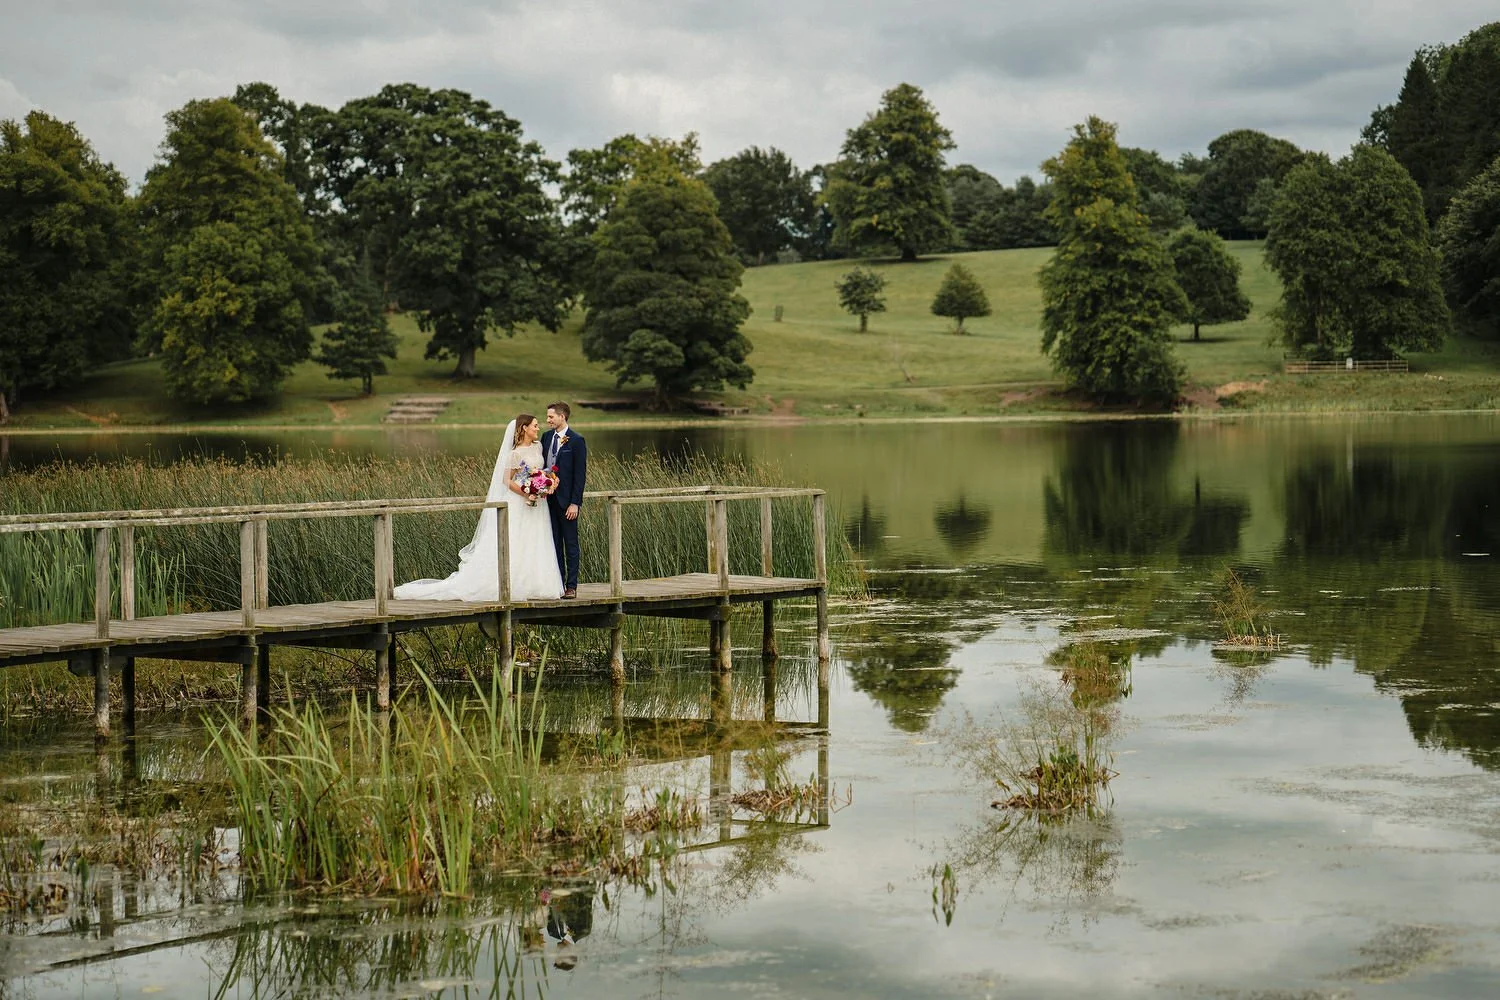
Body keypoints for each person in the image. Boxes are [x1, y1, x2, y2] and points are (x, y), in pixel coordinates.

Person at [392, 414, 563, 602]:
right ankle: (511, 584)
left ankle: (536, 584)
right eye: (535, 425)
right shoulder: (515, 454)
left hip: (538, 504)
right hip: (520, 502)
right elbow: (506, 480)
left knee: (535, 540)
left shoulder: (538, 447)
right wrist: (526, 492)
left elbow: (540, 472)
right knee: (516, 540)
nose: (538, 428)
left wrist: (547, 483)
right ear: (524, 428)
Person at [540, 402, 587, 599]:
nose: (548, 420)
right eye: (548, 417)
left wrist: (575, 503)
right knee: (554, 544)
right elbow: (543, 467)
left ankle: (571, 586)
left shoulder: (576, 440)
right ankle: (558, 584)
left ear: (562, 417)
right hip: (547, 501)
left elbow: (580, 475)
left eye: (551, 417)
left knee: (571, 544)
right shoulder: (546, 437)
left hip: (567, 503)